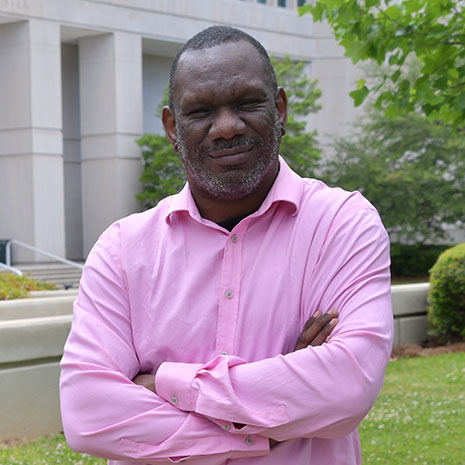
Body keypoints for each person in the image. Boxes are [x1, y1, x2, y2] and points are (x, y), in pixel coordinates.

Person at [60, 26, 393, 465]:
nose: (226, 127)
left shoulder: (341, 224)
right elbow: (88, 413)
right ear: (172, 128)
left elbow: (347, 387)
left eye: (247, 102)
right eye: (201, 111)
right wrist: (275, 408)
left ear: (280, 108)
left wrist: (167, 384)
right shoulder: (122, 250)